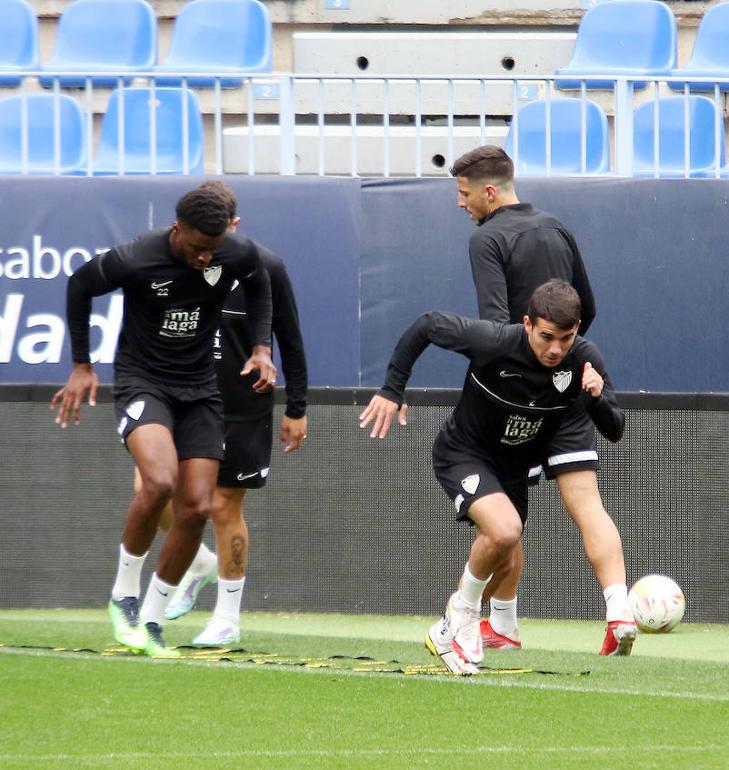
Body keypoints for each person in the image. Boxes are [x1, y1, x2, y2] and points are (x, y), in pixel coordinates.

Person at [358, 279, 635, 675]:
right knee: (504, 530)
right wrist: (391, 389)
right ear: (527, 324)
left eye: (566, 338)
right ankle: (463, 613)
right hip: (463, 454)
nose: (556, 349)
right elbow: (427, 325)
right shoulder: (493, 341)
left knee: (506, 554)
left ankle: (446, 630)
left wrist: (595, 396)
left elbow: (615, 429)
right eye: (546, 337)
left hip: (512, 470)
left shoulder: (584, 359)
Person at [53, 183, 276, 658]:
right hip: (144, 383)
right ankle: (124, 597)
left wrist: (261, 348)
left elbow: (261, 285)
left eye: (212, 250)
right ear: (178, 229)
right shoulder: (136, 258)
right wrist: (81, 363)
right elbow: (79, 285)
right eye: (198, 247)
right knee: (157, 483)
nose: (205, 258)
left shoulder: (233, 252)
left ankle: (151, 620)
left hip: (200, 390)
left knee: (197, 507)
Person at [133, 182, 309, 647]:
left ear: (235, 226)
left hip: (242, 404)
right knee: (151, 488)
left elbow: (289, 336)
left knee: (223, 505)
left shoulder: (264, 266)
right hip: (183, 398)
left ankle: (228, 615)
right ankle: (197, 564)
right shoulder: (178, 259)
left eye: (224, 231)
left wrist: (297, 408)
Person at [449, 144, 599, 651]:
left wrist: (523, 366)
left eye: (464, 193)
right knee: (517, 512)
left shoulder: (486, 237)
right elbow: (588, 309)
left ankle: (471, 617)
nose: (460, 203)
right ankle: (504, 625)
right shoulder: (557, 227)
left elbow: (495, 323)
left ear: (489, 191)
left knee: (501, 515)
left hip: (506, 396)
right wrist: (560, 363)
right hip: (561, 392)